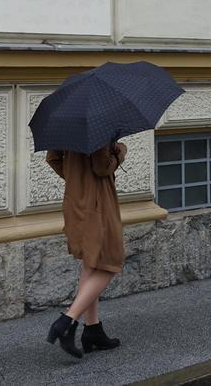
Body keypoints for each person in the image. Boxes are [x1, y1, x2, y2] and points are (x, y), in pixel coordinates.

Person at [44, 140, 127, 358]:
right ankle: (66, 321)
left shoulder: (67, 129)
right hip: (98, 204)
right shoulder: (99, 128)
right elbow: (102, 166)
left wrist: (76, 179)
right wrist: (120, 151)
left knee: (91, 263)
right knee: (110, 262)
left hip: (76, 200)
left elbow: (53, 158)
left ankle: (93, 329)